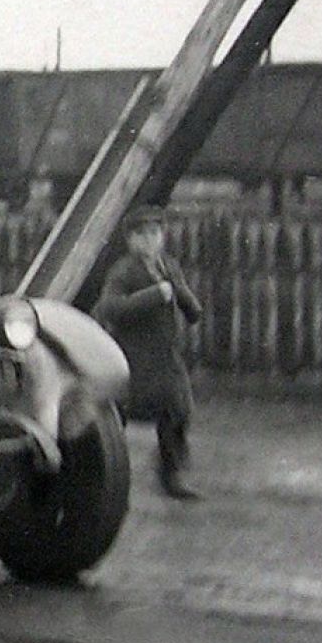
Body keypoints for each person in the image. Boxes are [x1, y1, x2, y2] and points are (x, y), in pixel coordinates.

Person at [94, 206, 204, 500]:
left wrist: (183, 295)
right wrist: (156, 295)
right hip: (134, 357)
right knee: (117, 418)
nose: (149, 241)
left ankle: (171, 475)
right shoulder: (124, 271)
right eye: (141, 235)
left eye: (155, 233)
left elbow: (191, 309)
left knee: (179, 410)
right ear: (130, 240)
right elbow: (111, 308)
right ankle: (105, 479)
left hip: (166, 357)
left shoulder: (167, 265)